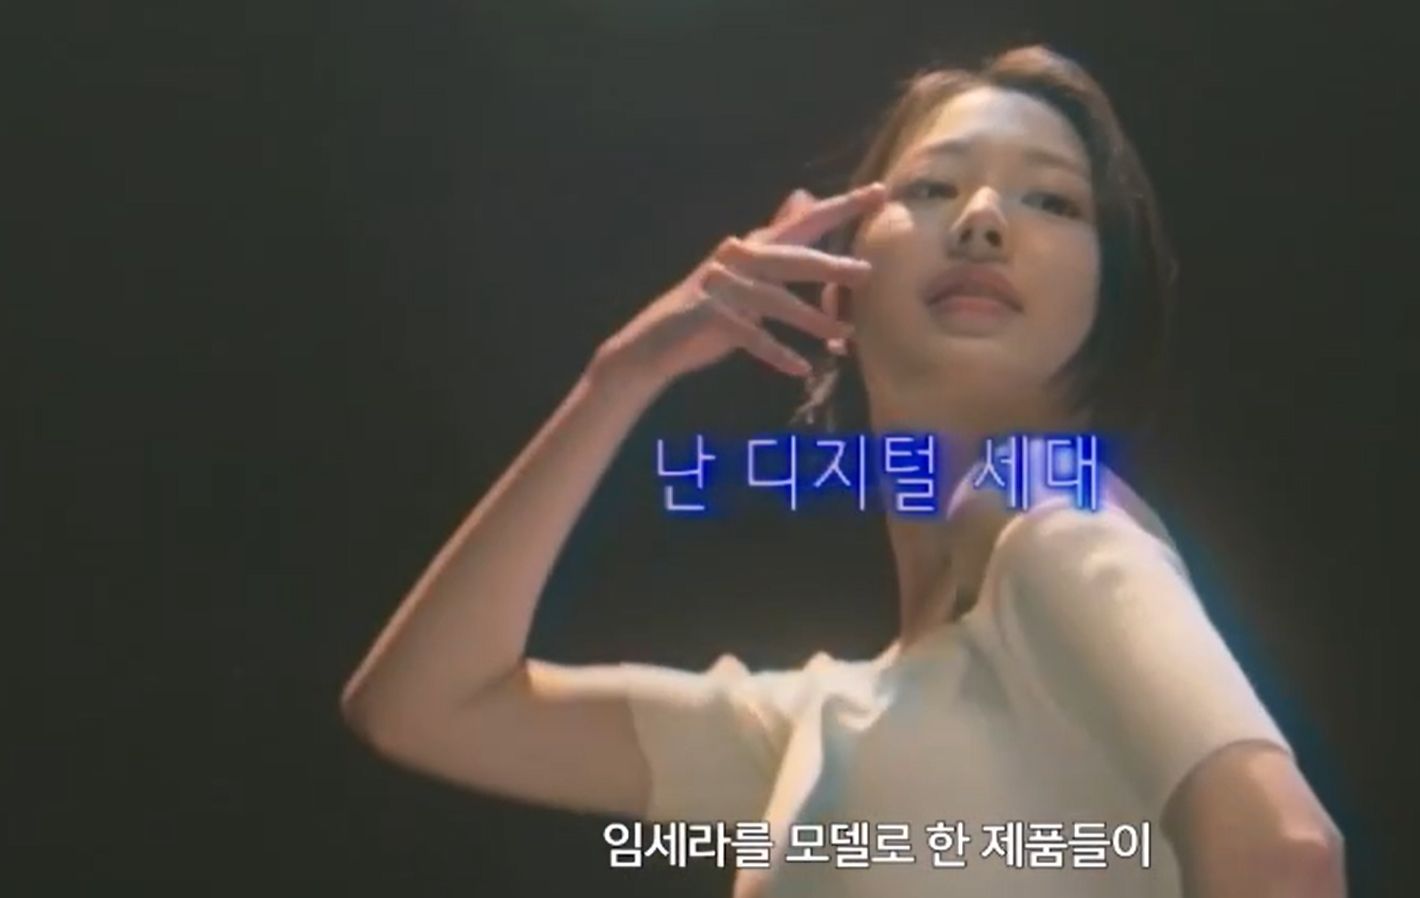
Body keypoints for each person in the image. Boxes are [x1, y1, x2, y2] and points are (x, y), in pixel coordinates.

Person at [340, 44, 1346, 898]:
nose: (984, 219)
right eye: (931, 187)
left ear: (1108, 300)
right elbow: (423, 706)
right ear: (834, 284)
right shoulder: (822, 725)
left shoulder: (1050, 513)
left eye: (1051, 199)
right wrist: (621, 375)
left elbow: (1284, 853)